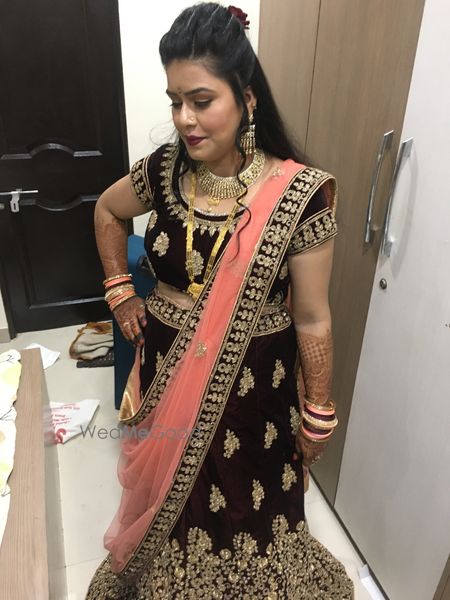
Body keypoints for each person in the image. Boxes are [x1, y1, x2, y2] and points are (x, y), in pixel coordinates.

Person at [86, 3, 354, 598]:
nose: (185, 119)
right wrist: (120, 290)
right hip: (166, 368)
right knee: (171, 506)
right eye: (175, 101)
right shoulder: (164, 171)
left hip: (254, 387)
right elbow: (106, 210)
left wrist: (318, 410)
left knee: (247, 504)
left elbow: (313, 316)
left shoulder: (299, 193)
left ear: (247, 97)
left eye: (201, 101)